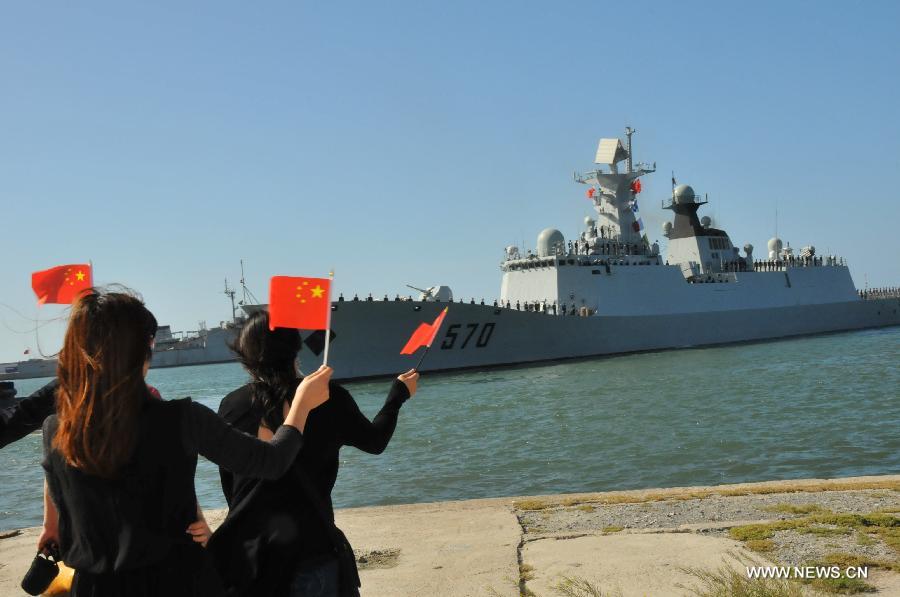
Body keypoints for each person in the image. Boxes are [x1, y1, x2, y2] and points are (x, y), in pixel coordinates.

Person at [39, 289, 333, 597]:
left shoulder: (54, 430)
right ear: (143, 349)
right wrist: (301, 404)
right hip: (176, 582)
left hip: (94, 588)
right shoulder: (182, 419)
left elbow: (64, 510)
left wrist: (51, 527)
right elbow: (271, 462)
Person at [209, 310, 418, 597]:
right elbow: (375, 441)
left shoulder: (231, 406)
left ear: (246, 356)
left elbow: (230, 484)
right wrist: (397, 396)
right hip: (312, 552)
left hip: (250, 557)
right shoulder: (329, 398)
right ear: (296, 350)